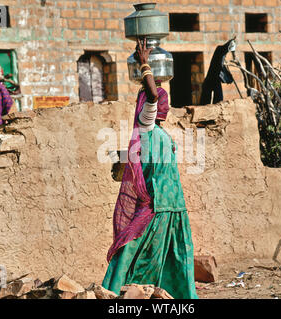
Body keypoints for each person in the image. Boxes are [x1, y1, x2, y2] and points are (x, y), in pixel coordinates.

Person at [102, 38, 198, 299]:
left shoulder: (163, 133)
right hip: (155, 203)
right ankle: (114, 291)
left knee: (174, 254)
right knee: (132, 245)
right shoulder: (146, 125)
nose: (163, 103)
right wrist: (145, 64)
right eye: (160, 102)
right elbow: (153, 95)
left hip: (173, 204)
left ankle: (173, 296)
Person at [199, 38, 236, 105]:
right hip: (211, 79)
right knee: (207, 100)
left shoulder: (220, 56)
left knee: (218, 99)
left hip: (215, 79)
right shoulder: (219, 52)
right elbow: (223, 49)